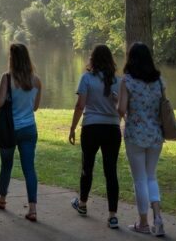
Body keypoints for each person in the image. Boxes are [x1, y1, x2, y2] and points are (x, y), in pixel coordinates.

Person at [69, 44, 122, 228]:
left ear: (92, 59)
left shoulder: (86, 78)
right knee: (111, 171)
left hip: (91, 127)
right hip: (112, 129)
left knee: (87, 166)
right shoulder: (119, 81)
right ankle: (112, 216)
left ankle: (82, 204)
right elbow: (122, 109)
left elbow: (80, 105)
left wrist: (72, 128)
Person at [118, 42, 167, 236]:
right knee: (151, 176)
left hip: (135, 135)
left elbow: (122, 109)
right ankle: (158, 218)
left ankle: (144, 223)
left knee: (139, 179)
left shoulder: (127, 81)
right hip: (155, 134)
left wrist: (117, 103)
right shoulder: (159, 81)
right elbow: (163, 106)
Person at [0, 43, 41, 222]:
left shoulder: (7, 78)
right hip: (29, 129)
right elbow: (35, 107)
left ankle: (2, 198)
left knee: (6, 165)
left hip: (9, 129)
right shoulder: (36, 80)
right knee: (29, 168)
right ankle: (32, 209)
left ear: (12, 58)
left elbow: (0, 102)